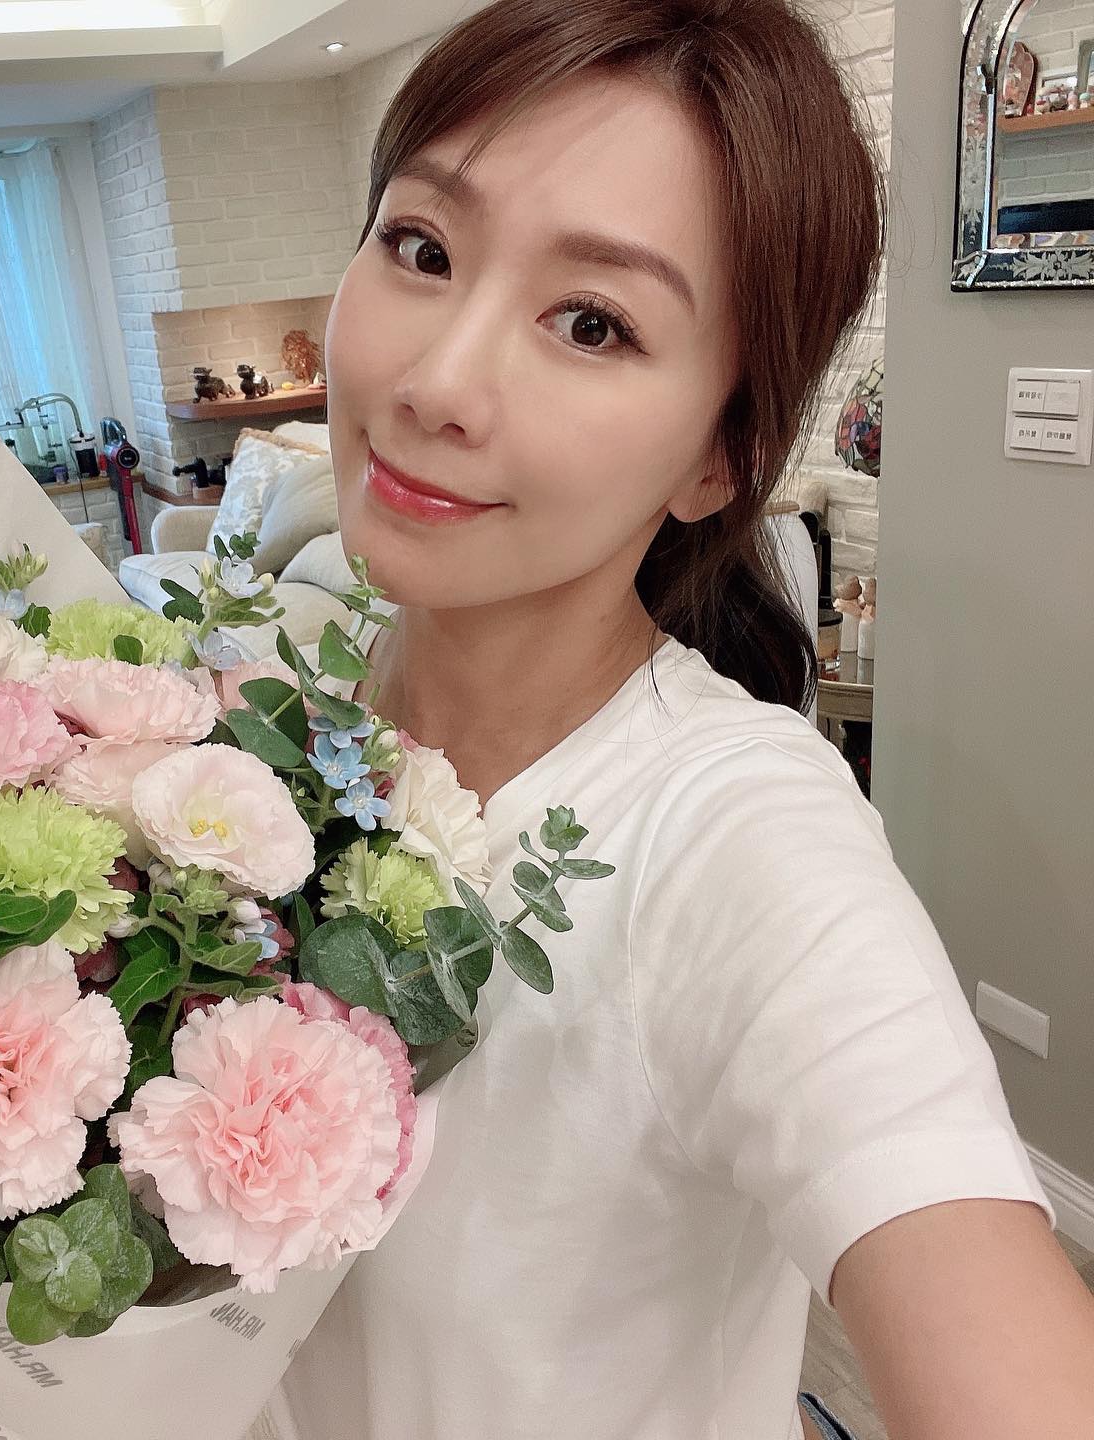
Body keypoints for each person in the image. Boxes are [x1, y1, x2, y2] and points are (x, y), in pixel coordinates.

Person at [265, 1, 1094, 1437]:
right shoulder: (270, 695)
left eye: (593, 322)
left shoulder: (737, 836)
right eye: (423, 248)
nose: (435, 383)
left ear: (722, 455)